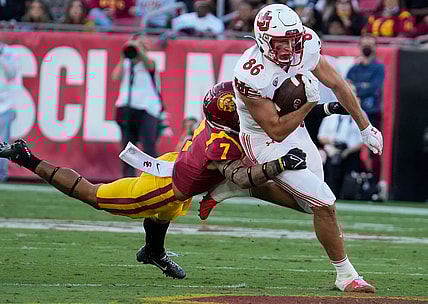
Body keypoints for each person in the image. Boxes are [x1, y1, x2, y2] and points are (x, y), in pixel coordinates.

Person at [0, 81, 312, 281]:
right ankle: (24, 157)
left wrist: (317, 105)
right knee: (94, 194)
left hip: (172, 163)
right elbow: (243, 177)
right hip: (164, 187)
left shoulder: (220, 120)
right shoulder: (223, 144)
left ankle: (153, 252)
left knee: (167, 214)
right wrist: (279, 165)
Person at [232, 3, 382, 293]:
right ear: (263, 39)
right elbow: (274, 130)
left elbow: (339, 84)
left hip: (295, 132)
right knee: (324, 202)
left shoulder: (308, 45)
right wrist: (309, 103)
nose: (290, 47)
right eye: (281, 41)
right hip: (263, 140)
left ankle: (248, 186)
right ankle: (346, 275)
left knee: (309, 203)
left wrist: (365, 127)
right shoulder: (251, 73)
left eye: (293, 39)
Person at [113, 33, 163, 177]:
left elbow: (149, 65)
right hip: (127, 107)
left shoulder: (150, 61)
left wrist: (138, 48)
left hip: (147, 108)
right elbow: (115, 76)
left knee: (149, 146)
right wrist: (124, 55)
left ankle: (154, 178)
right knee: (127, 148)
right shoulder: (127, 64)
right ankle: (127, 180)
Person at [346, 34, 384, 183]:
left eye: (371, 43)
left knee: (374, 148)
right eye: (365, 43)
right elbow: (346, 87)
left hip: (371, 112)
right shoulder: (354, 68)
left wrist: (356, 90)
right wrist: (360, 88)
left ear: (375, 47)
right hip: (352, 114)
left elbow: (374, 87)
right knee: (350, 146)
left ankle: (373, 183)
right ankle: (351, 182)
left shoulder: (379, 67)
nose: (367, 46)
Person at [318, 111, 363, 198]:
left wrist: (347, 152)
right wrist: (332, 143)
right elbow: (321, 136)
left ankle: (346, 195)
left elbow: (361, 141)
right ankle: (330, 194)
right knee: (331, 174)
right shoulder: (330, 116)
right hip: (332, 150)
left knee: (348, 176)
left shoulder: (360, 115)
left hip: (351, 152)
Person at [0, 42, 18, 182]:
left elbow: (12, 73)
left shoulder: (8, 51)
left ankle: (1, 173)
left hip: (4, 104)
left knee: (2, 142)